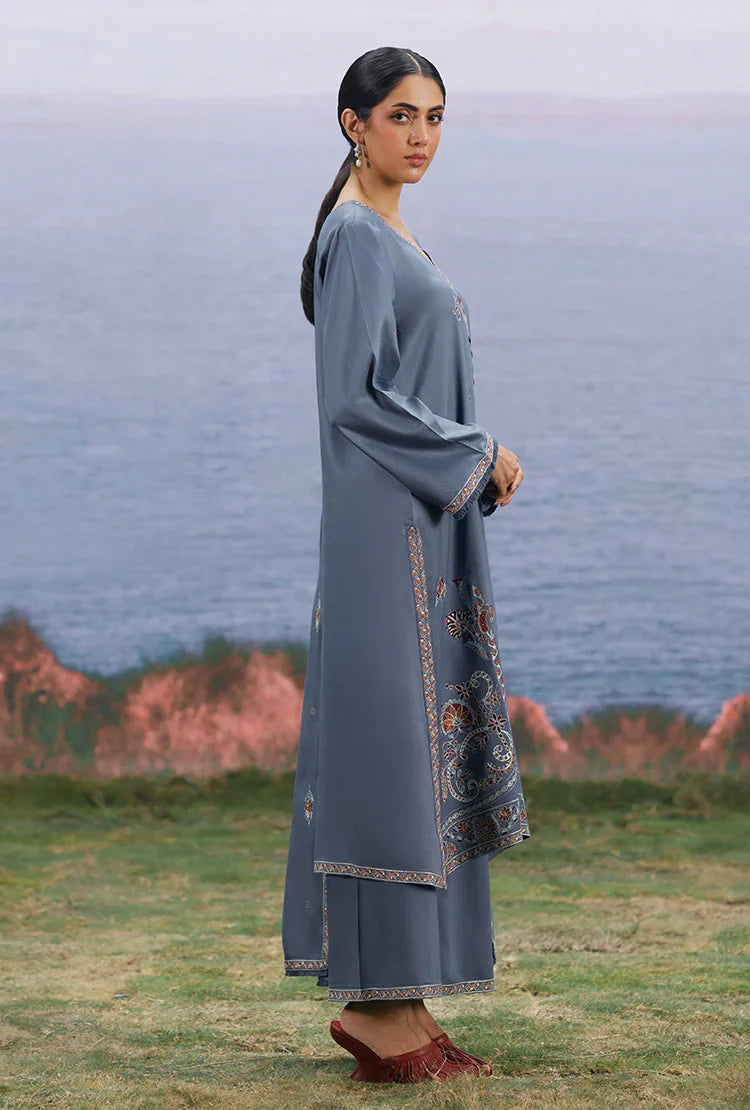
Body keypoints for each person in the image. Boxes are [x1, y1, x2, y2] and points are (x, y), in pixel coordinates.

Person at [281, 46, 529, 1084]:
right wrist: (476, 452)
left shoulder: (384, 229)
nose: (420, 135)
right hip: (386, 526)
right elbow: (355, 394)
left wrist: (463, 468)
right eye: (400, 116)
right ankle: (377, 1006)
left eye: (434, 117)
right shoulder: (354, 236)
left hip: (418, 518)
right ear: (354, 125)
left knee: (418, 750)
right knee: (388, 753)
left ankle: (402, 998)